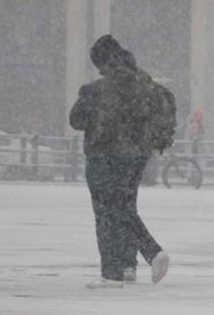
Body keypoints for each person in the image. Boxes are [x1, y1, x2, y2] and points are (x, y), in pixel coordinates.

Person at [69, 35, 170, 289]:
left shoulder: (97, 90)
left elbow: (76, 120)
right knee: (125, 207)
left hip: (104, 156)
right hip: (136, 156)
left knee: (107, 213)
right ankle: (128, 265)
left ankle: (121, 267)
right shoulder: (143, 82)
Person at [116, 48, 177, 283]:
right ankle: (129, 263)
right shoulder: (149, 86)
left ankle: (147, 254)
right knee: (126, 206)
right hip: (141, 153)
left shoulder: (128, 87)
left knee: (119, 209)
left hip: (122, 154)